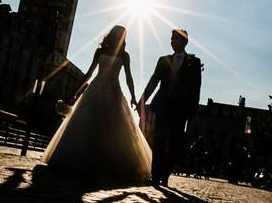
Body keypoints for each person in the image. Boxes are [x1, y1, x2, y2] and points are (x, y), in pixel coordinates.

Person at [41, 25, 151, 183]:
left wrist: (133, 96)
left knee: (110, 129)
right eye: (118, 34)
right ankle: (84, 161)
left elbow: (128, 77)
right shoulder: (100, 51)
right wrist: (74, 92)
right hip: (95, 89)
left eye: (123, 35)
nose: (120, 37)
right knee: (88, 125)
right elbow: (89, 73)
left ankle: (104, 164)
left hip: (113, 91)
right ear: (113, 35)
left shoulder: (125, 55)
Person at [138, 28, 203, 187]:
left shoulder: (194, 62)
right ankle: (156, 175)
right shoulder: (163, 60)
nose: (172, 41)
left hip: (180, 109)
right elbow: (154, 81)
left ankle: (165, 175)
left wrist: (192, 110)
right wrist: (142, 100)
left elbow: (196, 88)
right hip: (162, 106)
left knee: (174, 143)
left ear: (184, 42)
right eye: (171, 38)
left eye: (175, 39)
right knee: (159, 141)